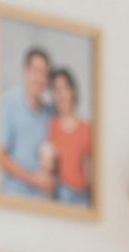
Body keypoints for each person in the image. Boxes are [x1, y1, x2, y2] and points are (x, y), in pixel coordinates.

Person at [0, 45, 54, 199]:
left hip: (43, 201)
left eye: (44, 74)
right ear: (26, 71)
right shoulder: (8, 103)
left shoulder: (49, 112)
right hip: (14, 196)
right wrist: (33, 179)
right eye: (36, 71)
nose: (40, 78)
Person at [47, 67, 91, 207]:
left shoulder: (87, 128)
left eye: (65, 88)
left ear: (72, 91)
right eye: (56, 90)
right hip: (62, 193)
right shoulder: (51, 126)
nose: (61, 95)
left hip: (84, 194)